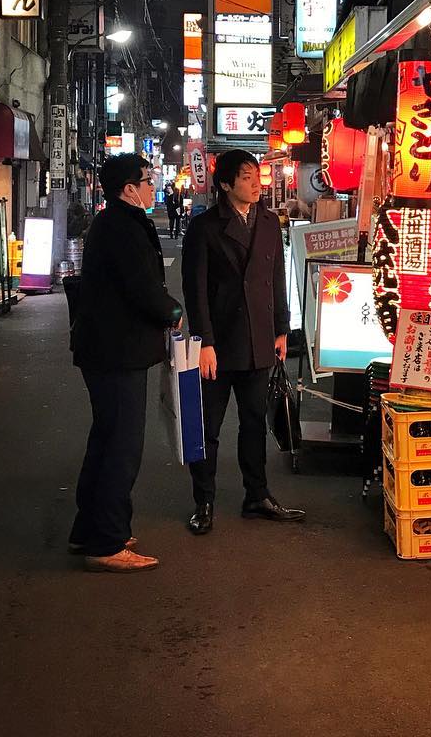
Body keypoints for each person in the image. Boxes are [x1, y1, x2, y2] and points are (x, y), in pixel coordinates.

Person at [69, 153, 183, 572]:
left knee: (106, 439)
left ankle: (90, 528)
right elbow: (142, 289)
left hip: (107, 349)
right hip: (117, 352)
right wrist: (173, 312)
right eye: (147, 180)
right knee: (121, 445)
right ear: (127, 188)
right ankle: (108, 541)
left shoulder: (114, 222)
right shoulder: (122, 226)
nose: (153, 186)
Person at [181, 149, 304, 534]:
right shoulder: (204, 227)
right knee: (207, 428)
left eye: (258, 176)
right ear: (226, 184)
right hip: (218, 344)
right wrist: (203, 341)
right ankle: (204, 501)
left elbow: (277, 277)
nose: (257, 184)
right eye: (248, 177)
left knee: (254, 423)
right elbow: (195, 289)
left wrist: (281, 329)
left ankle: (258, 495)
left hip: (259, 340)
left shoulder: (268, 222)